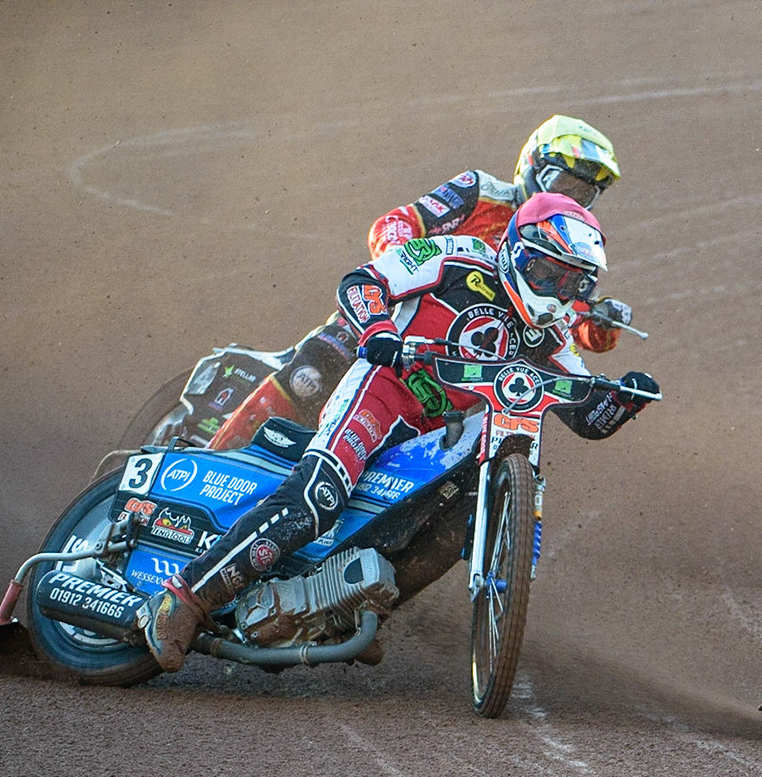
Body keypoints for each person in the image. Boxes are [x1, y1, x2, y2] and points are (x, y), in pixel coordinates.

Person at [140, 193, 658, 670]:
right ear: (519, 254)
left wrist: (623, 402)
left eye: (571, 282)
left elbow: (585, 415)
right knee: (318, 499)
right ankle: (183, 599)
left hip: (440, 439)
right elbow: (361, 283)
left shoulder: (553, 332)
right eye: (547, 273)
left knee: (458, 524)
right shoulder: (458, 256)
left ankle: (346, 608)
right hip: (383, 395)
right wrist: (380, 330)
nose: (556, 291)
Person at [207, 114, 631, 448]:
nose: (572, 199)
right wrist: (405, 268)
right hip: (400, 313)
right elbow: (395, 223)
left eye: (584, 194)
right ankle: (209, 457)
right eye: (564, 183)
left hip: (465, 362)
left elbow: (561, 324)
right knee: (312, 374)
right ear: (534, 166)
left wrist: (601, 325)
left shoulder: (568, 251)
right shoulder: (480, 191)